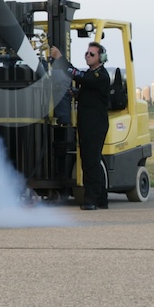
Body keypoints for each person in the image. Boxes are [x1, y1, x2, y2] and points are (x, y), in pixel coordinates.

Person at [50, 42, 111, 209]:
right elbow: (88, 90)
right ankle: (101, 199)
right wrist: (76, 94)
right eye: (87, 53)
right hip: (88, 124)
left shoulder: (100, 76)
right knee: (92, 161)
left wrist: (60, 59)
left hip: (94, 124)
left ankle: (91, 200)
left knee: (90, 163)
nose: (88, 56)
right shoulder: (91, 76)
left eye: (92, 54)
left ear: (101, 58)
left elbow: (78, 76)